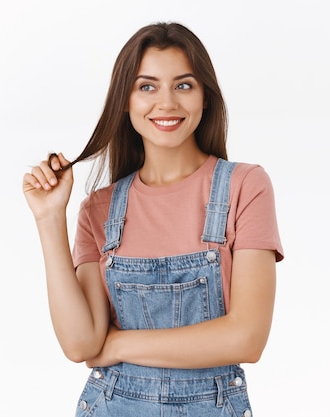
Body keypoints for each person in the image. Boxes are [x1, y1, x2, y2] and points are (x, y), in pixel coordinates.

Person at [22, 22, 284, 417]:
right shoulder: (99, 208)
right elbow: (80, 344)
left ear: (205, 97)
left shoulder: (245, 187)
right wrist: (48, 217)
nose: (167, 103)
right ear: (124, 101)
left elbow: (247, 338)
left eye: (183, 85)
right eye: (147, 86)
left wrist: (119, 345)